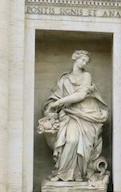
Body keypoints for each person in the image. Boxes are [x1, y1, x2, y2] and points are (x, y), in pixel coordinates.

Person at [42, 50, 109, 182]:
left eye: (86, 61)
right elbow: (54, 96)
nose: (84, 63)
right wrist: (51, 105)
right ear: (75, 58)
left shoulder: (86, 76)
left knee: (84, 145)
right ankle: (62, 173)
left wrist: (60, 102)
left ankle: (80, 173)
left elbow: (81, 95)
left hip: (86, 114)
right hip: (69, 114)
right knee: (71, 141)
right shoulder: (64, 79)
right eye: (82, 60)